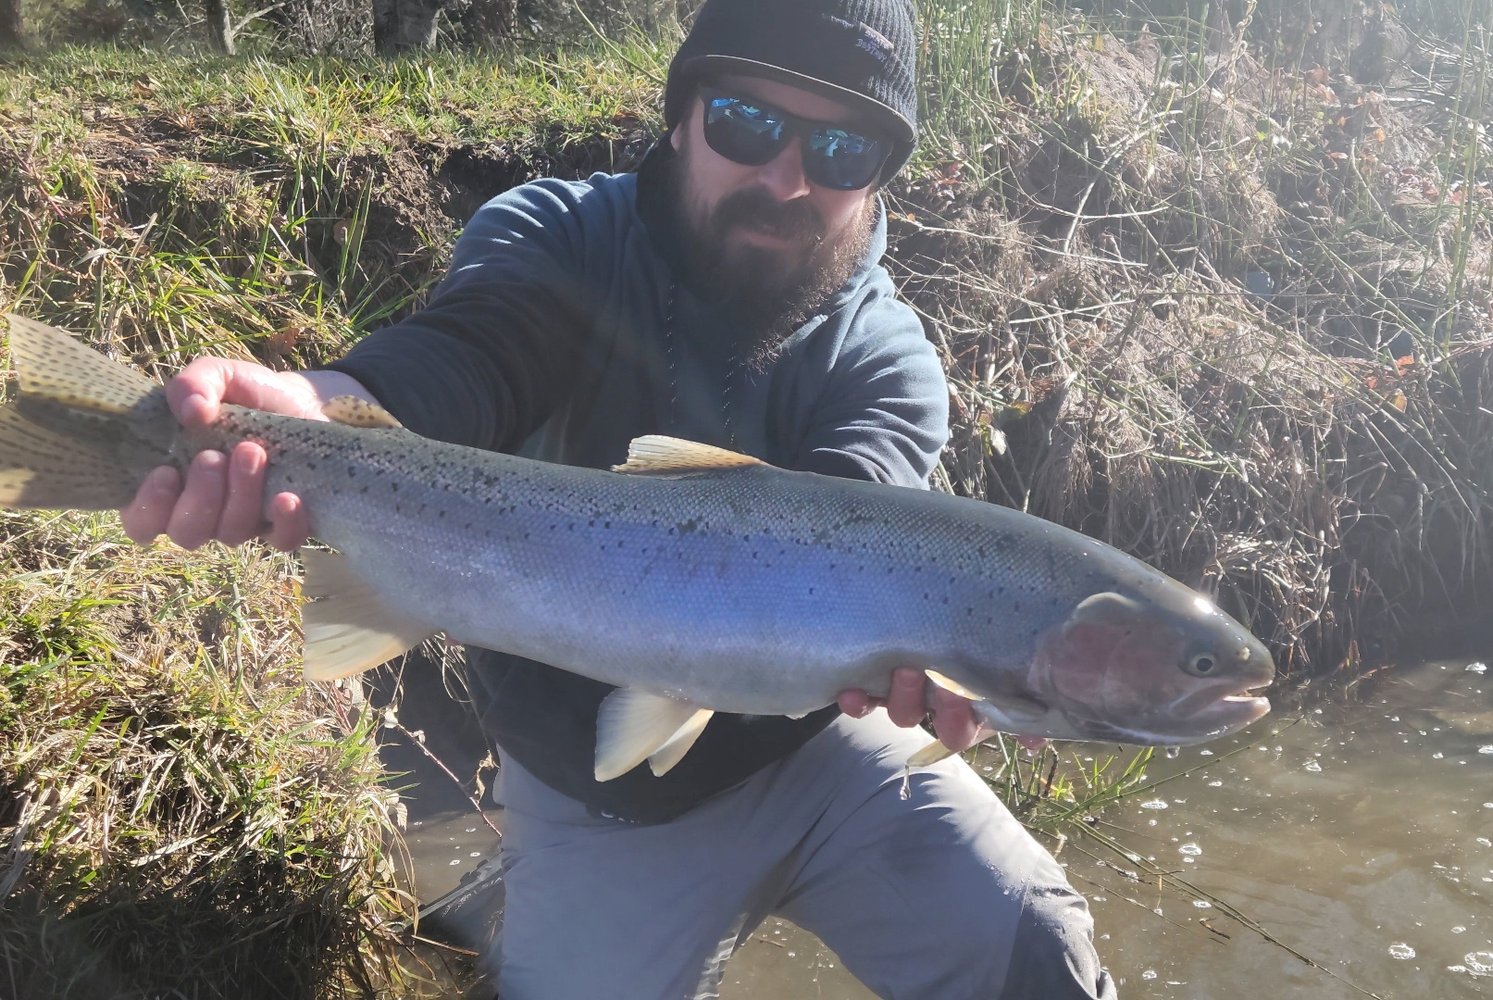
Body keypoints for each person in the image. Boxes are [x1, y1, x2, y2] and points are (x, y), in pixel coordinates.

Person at [122, 0, 1118, 996]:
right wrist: (321, 410)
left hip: (823, 750)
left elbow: (854, 550)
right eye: (748, 124)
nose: (784, 178)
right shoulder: (556, 237)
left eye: (843, 150)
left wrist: (942, 665)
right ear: (681, 115)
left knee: (1031, 945)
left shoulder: (888, 363)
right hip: (588, 794)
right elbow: (470, 356)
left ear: (879, 179)